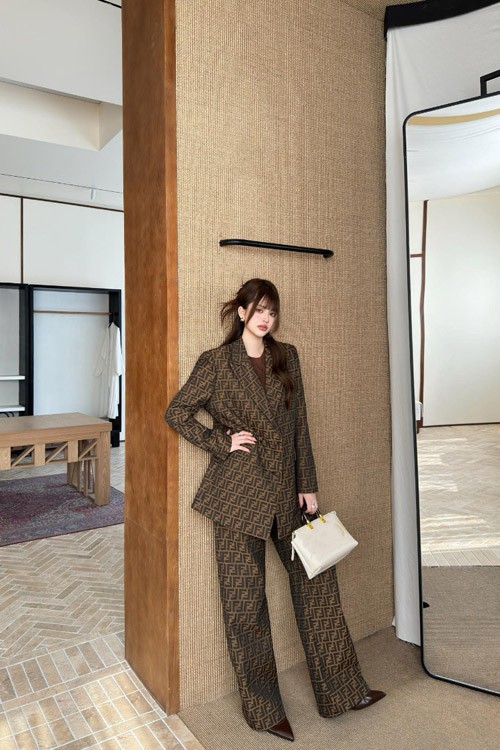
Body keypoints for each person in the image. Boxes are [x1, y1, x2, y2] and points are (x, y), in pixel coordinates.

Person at [165, 278, 385, 742]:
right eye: (259, 309)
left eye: (273, 311)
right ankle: (264, 710)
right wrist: (222, 441)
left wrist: (308, 484)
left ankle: (343, 690)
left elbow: (300, 423)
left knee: (318, 587)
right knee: (245, 606)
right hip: (237, 497)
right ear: (241, 312)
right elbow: (177, 412)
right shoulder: (216, 362)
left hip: (286, 492)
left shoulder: (287, 357)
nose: (266, 318)